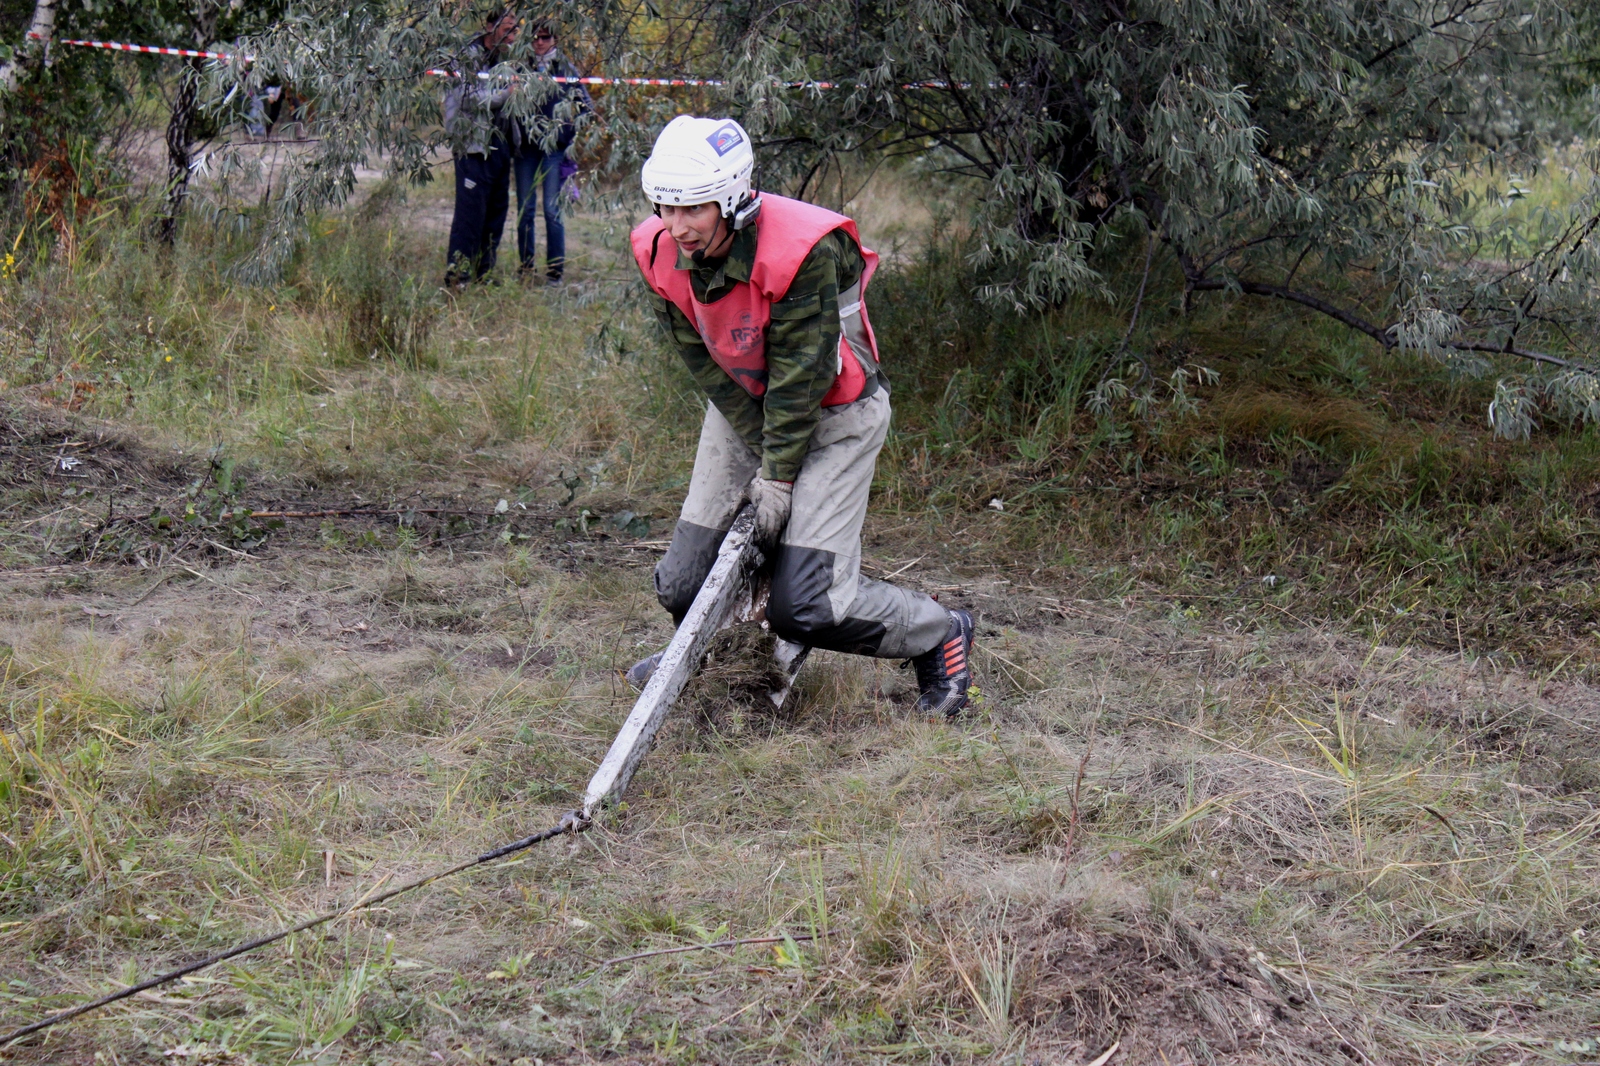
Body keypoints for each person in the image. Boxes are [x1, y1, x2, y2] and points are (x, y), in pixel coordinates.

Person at [626, 115, 975, 717]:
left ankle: (939, 632)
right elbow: (703, 362)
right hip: (745, 408)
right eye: (665, 207)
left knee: (808, 605)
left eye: (694, 210)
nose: (676, 226)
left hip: (837, 415)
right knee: (682, 580)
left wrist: (778, 479)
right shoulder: (657, 248)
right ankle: (713, 652)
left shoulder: (803, 251)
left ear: (731, 198)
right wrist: (759, 453)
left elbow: (803, 375)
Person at [442, 8, 519, 287]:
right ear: (490, 26)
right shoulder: (466, 54)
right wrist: (505, 94)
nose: (512, 35)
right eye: (507, 28)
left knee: (496, 211)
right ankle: (457, 276)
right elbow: (468, 97)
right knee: (470, 214)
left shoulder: (506, 59)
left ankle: (484, 273)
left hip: (499, 144)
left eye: (515, 30)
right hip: (471, 145)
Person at [511, 24, 590, 285]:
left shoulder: (566, 69)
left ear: (555, 39)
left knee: (552, 210)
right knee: (525, 208)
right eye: (535, 38)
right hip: (526, 150)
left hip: (554, 151)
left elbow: (586, 107)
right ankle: (526, 267)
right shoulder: (521, 66)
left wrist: (567, 137)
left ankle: (555, 272)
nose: (540, 42)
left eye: (545, 37)